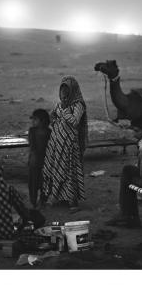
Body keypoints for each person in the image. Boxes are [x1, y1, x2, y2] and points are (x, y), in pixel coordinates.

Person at [41, 75, 88, 212]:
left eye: (66, 91)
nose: (64, 94)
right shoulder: (59, 104)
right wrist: (55, 123)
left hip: (69, 145)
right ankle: (55, 197)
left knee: (69, 171)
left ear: (72, 90)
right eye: (62, 91)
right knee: (56, 169)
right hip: (56, 143)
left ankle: (73, 202)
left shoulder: (78, 105)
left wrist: (66, 112)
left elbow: (75, 122)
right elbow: (52, 116)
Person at [27, 109, 51, 208]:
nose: (32, 122)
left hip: (39, 161)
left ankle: (41, 201)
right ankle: (35, 202)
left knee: (42, 183)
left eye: (35, 119)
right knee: (34, 183)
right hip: (37, 161)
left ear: (42, 120)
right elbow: (33, 146)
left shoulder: (47, 132)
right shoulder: (33, 131)